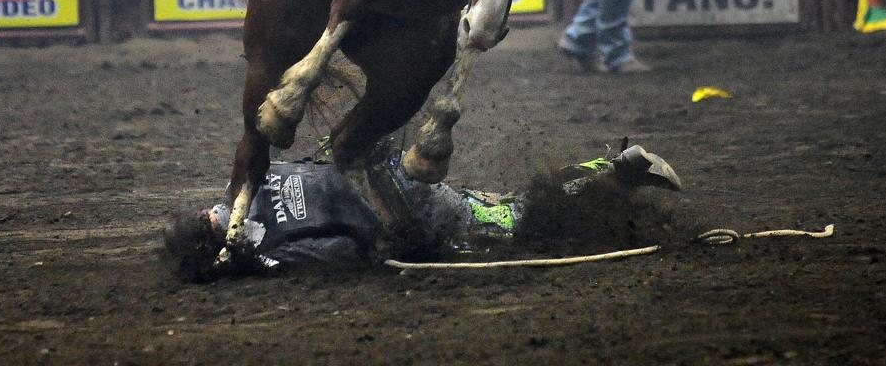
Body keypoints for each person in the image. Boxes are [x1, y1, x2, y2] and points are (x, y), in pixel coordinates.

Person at [165, 141, 682, 281]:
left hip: (406, 213)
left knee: (514, 221)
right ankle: (608, 173)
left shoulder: (273, 251)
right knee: (496, 208)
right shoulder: (263, 173)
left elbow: (343, 252)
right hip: (391, 171)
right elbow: (321, 159)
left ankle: (613, 168)